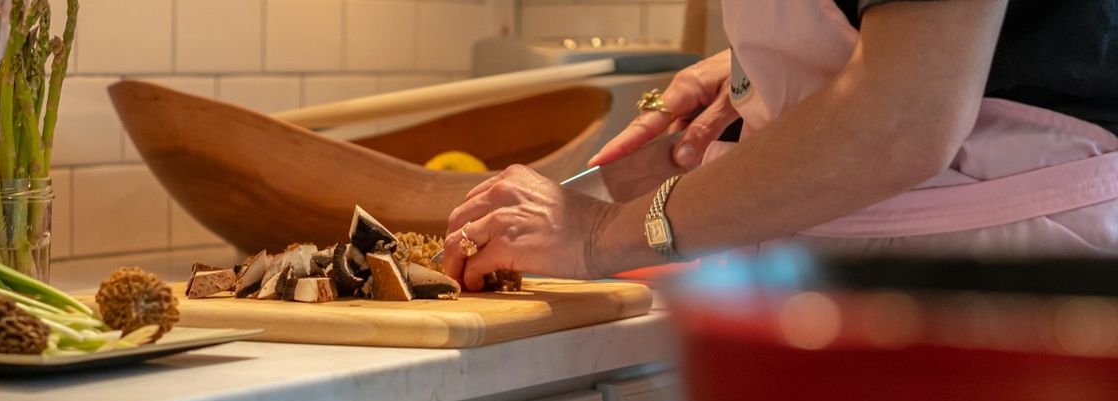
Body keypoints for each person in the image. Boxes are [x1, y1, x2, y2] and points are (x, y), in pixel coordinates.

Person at [442, 0, 1118, 290]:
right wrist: (765, 74)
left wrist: (602, 234)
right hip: (870, 284)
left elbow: (904, 119)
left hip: (995, 287)